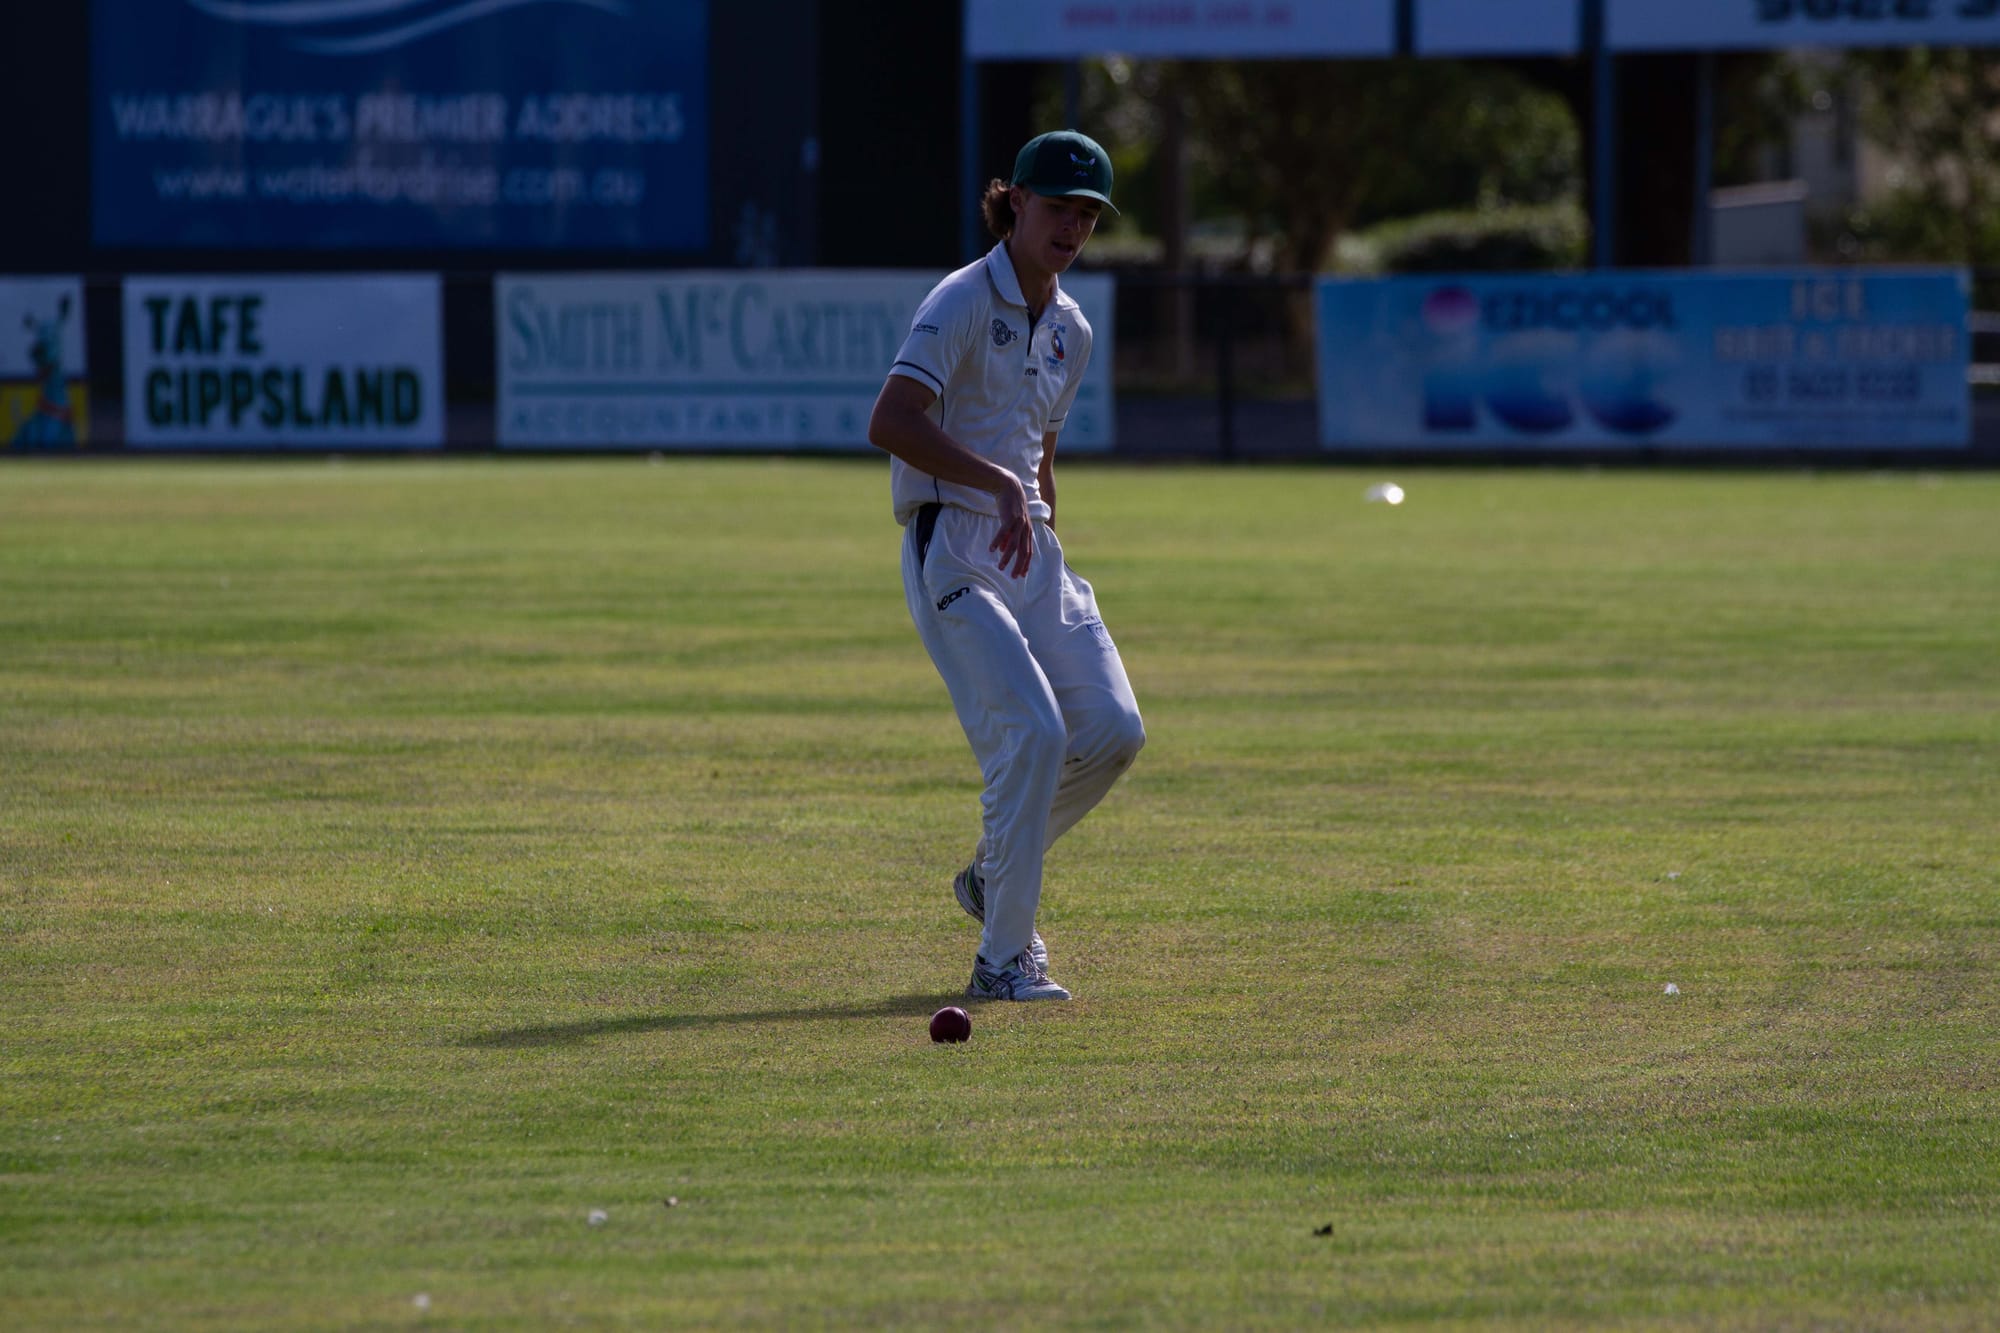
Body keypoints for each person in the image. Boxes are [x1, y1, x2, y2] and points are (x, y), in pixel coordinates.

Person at [866, 130, 1145, 1002]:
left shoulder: (1072, 329)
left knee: (1112, 730)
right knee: (1034, 734)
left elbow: (1040, 455)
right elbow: (891, 419)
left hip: (1029, 551)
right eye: (1059, 207)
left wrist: (1041, 519)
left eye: (1089, 214)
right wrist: (993, 483)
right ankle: (1002, 959)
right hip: (950, 541)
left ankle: (995, 874)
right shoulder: (957, 299)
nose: (1073, 227)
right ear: (1014, 201)